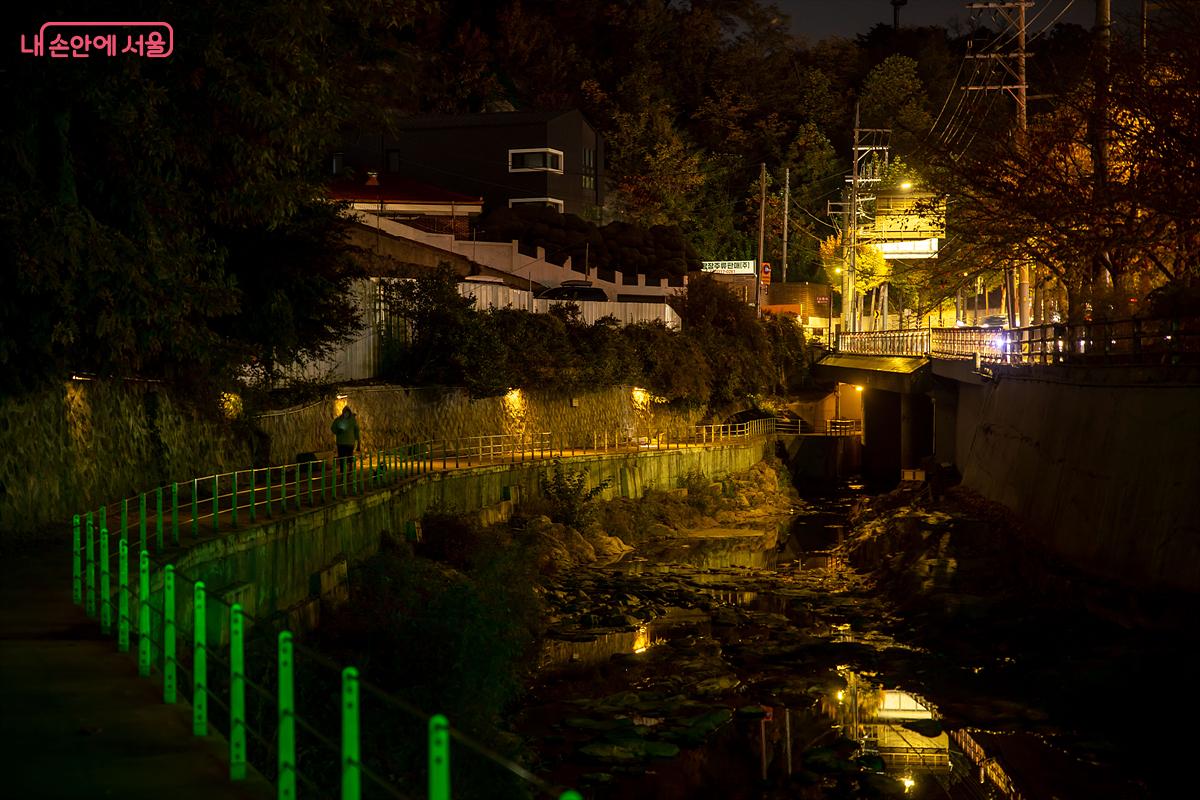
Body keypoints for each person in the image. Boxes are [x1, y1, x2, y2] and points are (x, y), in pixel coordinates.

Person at [331, 406, 360, 477]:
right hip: (341, 443)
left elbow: (356, 431)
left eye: (347, 412)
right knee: (342, 458)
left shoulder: (353, 421)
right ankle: (343, 472)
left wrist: (358, 441)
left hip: (350, 443)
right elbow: (333, 428)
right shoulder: (338, 420)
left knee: (349, 457)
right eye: (345, 412)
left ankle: (349, 470)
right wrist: (338, 431)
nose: (346, 414)